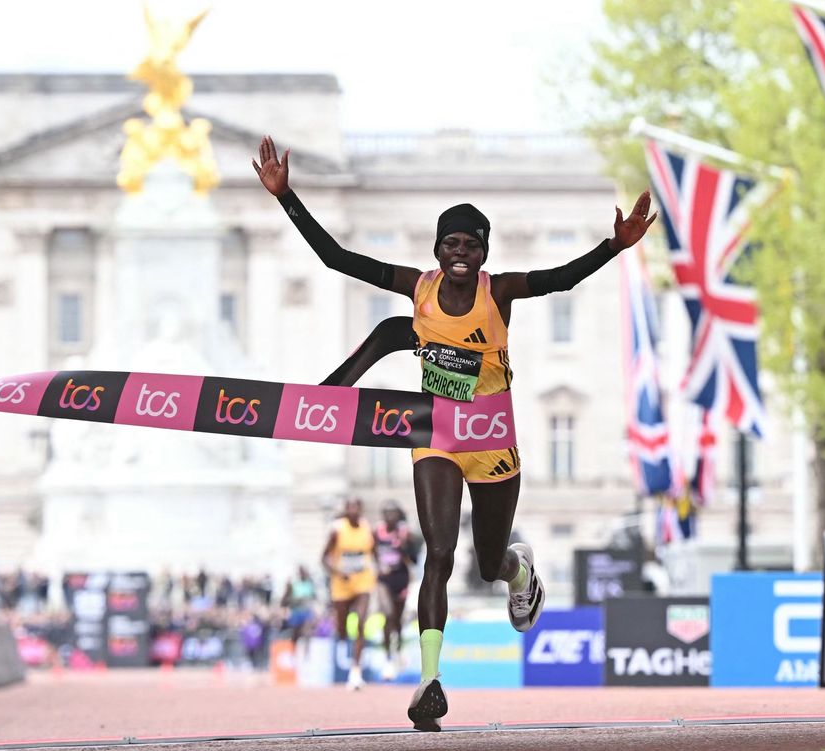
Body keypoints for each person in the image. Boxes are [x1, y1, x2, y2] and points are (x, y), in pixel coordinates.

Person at [255, 135, 656, 730]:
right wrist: (287, 196)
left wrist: (613, 246)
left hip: (493, 440)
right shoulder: (417, 288)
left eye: (471, 245)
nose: (461, 253)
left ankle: (519, 572)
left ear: (484, 251)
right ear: (438, 251)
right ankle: (428, 682)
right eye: (451, 244)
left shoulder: (502, 290)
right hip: (437, 433)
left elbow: (561, 278)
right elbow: (339, 260)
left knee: (489, 563)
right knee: (439, 554)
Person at [321, 496, 376, 690]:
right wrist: (338, 572)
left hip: (362, 582)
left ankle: (355, 672)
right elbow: (324, 558)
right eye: (350, 507)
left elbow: (375, 552)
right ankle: (343, 642)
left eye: (357, 507)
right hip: (341, 584)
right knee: (342, 628)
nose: (353, 511)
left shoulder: (367, 528)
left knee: (361, 622)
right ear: (346, 510)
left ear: (361, 510)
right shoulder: (337, 530)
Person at [373, 500, 415, 680]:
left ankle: (397, 651)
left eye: (394, 513)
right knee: (388, 615)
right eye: (387, 513)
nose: (390, 517)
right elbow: (371, 552)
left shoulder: (405, 533)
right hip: (384, 580)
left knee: (397, 620)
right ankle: (387, 659)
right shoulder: (376, 532)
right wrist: (378, 566)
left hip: (401, 578)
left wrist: (403, 545)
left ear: (398, 516)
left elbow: (413, 558)